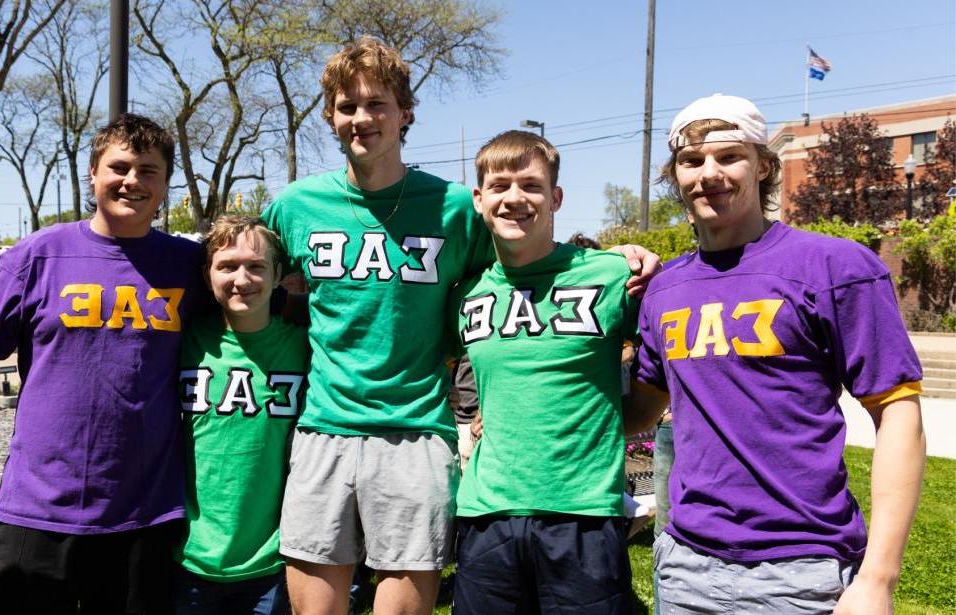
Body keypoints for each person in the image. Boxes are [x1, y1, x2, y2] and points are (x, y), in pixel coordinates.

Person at [261, 37, 660, 615]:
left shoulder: (455, 208)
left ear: (404, 113)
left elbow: (521, 261)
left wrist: (613, 255)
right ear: (330, 115)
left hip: (417, 431)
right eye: (347, 106)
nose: (361, 118)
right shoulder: (296, 204)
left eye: (377, 104)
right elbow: (247, 278)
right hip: (323, 426)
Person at [630, 94, 926, 614]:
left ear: (764, 165)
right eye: (691, 161)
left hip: (802, 570)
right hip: (683, 565)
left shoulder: (836, 266)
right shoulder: (664, 288)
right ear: (675, 174)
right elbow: (641, 409)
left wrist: (878, 578)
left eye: (729, 156)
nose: (708, 173)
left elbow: (899, 413)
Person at [0, 113, 204, 613]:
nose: (131, 180)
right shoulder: (38, 256)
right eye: (119, 167)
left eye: (148, 170)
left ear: (165, 184)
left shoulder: (189, 266)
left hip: (145, 516)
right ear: (93, 173)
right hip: (37, 511)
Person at [451, 130, 639, 614]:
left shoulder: (612, 275)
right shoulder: (465, 295)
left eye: (531, 186)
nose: (514, 198)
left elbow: (662, 360)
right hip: (486, 514)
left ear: (555, 197)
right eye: (500, 186)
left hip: (583, 515)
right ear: (479, 199)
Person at [173, 216, 306, 615]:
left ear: (279, 273)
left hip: (272, 560)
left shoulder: (306, 347)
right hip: (187, 558)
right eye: (227, 266)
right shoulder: (181, 341)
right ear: (207, 274)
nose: (242, 279)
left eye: (257, 266)